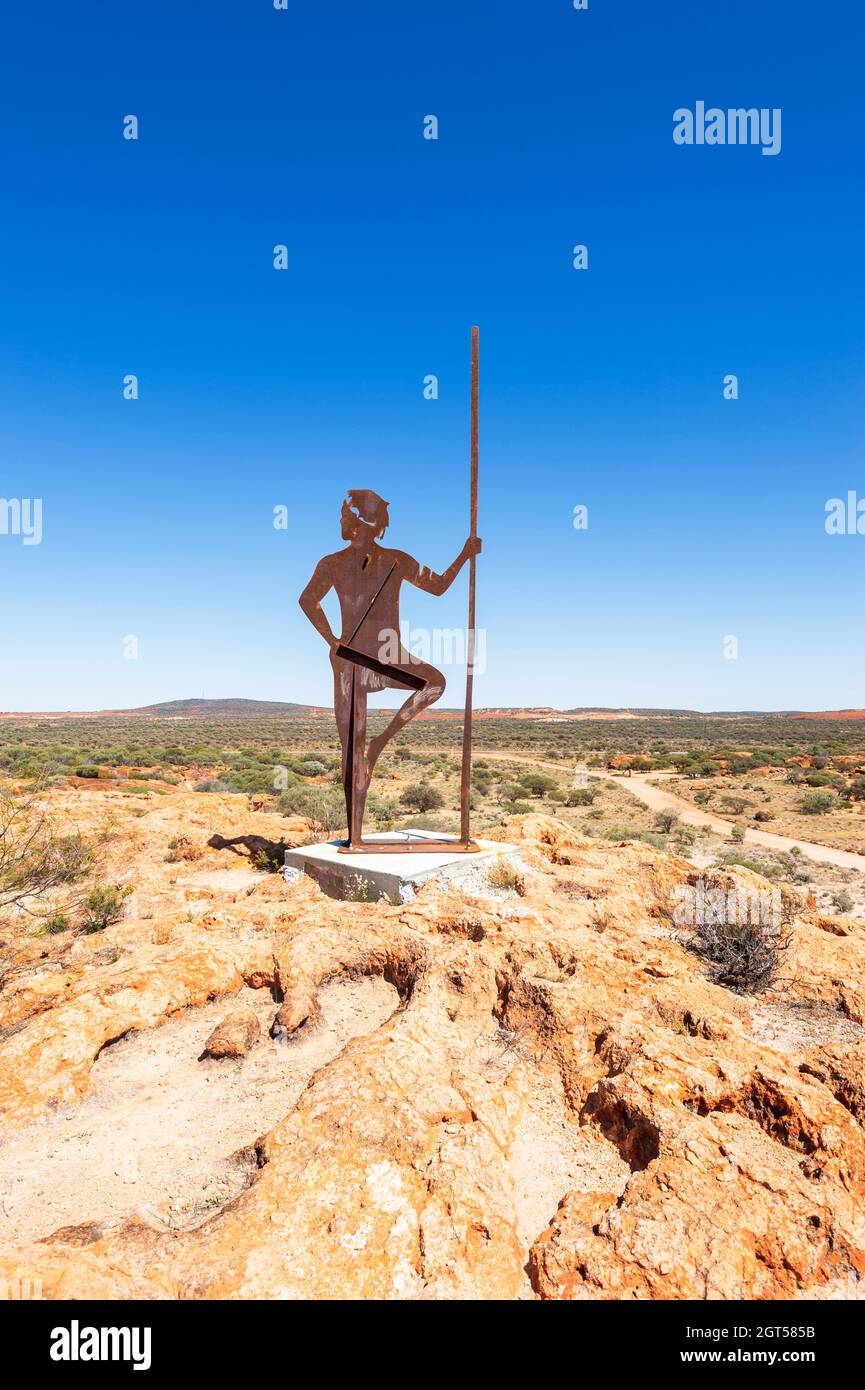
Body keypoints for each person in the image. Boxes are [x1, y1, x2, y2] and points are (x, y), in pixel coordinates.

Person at [299, 489, 481, 845]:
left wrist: (465, 554)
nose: (341, 522)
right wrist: (332, 641)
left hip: (376, 657)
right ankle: (355, 836)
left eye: (346, 517)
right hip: (359, 660)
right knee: (351, 751)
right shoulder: (339, 562)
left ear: (361, 523)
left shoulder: (379, 560)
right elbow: (307, 600)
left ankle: (378, 744)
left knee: (433, 683)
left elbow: (437, 586)